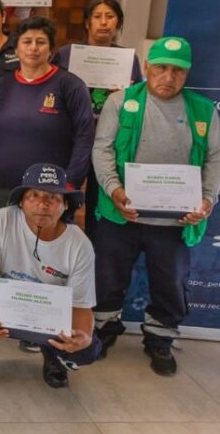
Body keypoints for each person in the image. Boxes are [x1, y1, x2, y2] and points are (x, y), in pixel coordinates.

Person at [92, 36, 220, 376]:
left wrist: (206, 200)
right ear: (146, 68)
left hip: (176, 220)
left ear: (187, 72)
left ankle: (160, 338)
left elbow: (215, 160)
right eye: (161, 67)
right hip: (121, 213)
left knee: (170, 281)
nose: (169, 76)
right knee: (108, 275)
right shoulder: (121, 102)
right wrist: (115, 191)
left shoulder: (204, 111)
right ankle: (105, 328)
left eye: (177, 70)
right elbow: (102, 150)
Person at [0, 163, 101, 402]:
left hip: (51, 315)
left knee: (87, 351)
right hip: (7, 306)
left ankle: (54, 358)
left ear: (65, 205)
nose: (43, 204)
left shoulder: (80, 245)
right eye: (34, 196)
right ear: (21, 201)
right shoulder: (1, 220)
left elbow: (81, 305)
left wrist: (83, 337)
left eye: (53, 197)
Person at [52, 0, 142, 239]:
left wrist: (123, 96)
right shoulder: (67, 54)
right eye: (97, 16)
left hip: (109, 140)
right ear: (87, 22)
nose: (104, 23)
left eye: (110, 17)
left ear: (119, 23)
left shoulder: (128, 60)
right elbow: (50, 90)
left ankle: (93, 250)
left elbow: (138, 101)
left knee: (99, 199)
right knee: (63, 192)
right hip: (70, 137)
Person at [0, 16, 95, 211]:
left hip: (50, 190)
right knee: (3, 242)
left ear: (52, 50)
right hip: (3, 188)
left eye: (41, 42)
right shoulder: (1, 87)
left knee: (45, 242)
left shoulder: (70, 85)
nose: (33, 48)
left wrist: (71, 182)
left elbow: (85, 137)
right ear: (16, 49)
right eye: (27, 42)